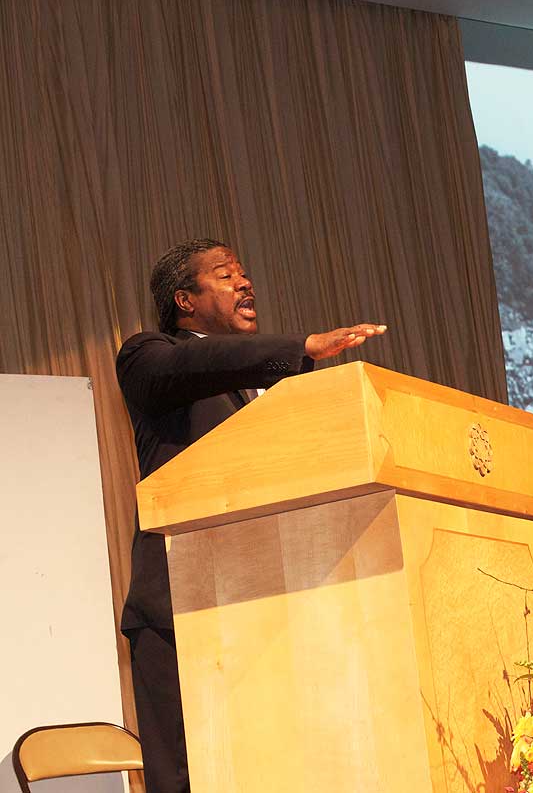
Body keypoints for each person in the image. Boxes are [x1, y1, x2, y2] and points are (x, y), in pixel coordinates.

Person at [117, 238, 387, 792]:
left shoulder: (270, 383)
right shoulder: (148, 357)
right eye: (225, 275)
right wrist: (301, 347)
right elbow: (197, 363)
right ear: (184, 300)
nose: (245, 283)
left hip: (266, 599)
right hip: (179, 605)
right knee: (189, 776)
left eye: (243, 274)